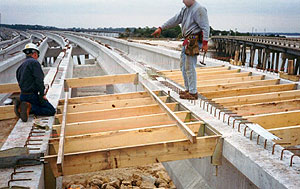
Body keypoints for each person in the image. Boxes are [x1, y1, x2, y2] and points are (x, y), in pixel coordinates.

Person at [152, 0, 210, 100]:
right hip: (187, 41)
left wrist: (205, 43)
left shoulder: (199, 9)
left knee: (189, 66)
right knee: (183, 66)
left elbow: (205, 27)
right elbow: (174, 19)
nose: (183, 1)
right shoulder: (185, 9)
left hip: (194, 41)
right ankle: (188, 89)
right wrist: (161, 28)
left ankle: (193, 92)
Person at [14, 43, 56, 122]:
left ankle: (22, 106)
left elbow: (19, 80)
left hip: (23, 95)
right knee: (51, 110)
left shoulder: (21, 66)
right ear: (35, 54)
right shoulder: (34, 63)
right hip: (32, 96)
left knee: (38, 106)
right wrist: (42, 95)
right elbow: (39, 80)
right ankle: (29, 108)